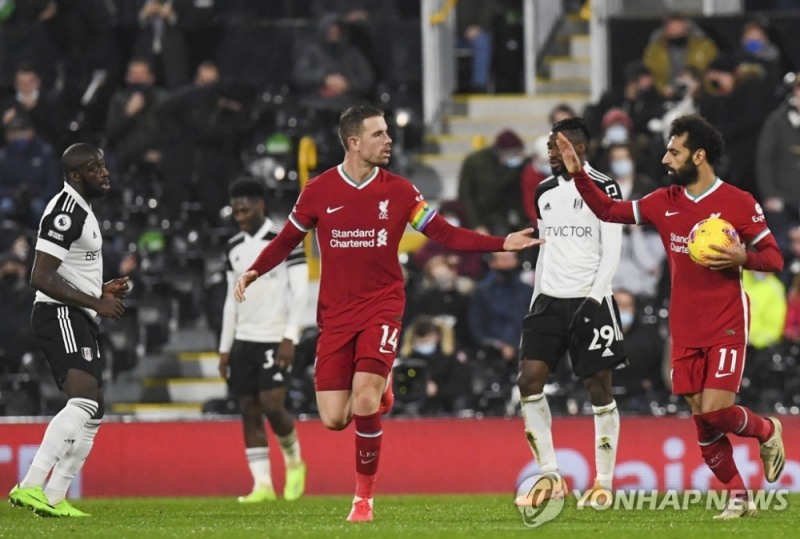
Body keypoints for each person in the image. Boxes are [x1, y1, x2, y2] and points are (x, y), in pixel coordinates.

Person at [234, 104, 541, 522]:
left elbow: (444, 233)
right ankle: (383, 385)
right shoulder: (319, 191)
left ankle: (363, 500)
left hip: (383, 305)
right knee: (334, 418)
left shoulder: (400, 191)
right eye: (379, 134)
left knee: (363, 399)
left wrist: (501, 243)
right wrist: (255, 269)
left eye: (387, 133)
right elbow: (287, 239)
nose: (389, 141)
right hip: (336, 315)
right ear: (354, 142)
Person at [558, 114, 786, 519]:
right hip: (683, 325)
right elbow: (609, 211)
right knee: (703, 421)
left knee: (717, 411)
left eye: (674, 151)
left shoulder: (738, 202)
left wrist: (742, 257)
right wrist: (579, 176)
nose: (665, 159)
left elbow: (774, 258)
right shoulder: (664, 202)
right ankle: (738, 498)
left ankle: (767, 431)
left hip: (727, 321)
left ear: (698, 156)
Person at [7, 143, 128, 517]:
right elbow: (39, 277)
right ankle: (30, 486)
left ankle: (56, 497)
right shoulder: (66, 211)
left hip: (76, 312)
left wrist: (99, 291)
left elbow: (69, 269)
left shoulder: (82, 209)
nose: (104, 172)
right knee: (85, 400)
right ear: (75, 175)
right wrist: (97, 304)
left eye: (103, 165)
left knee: (94, 409)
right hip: (59, 312)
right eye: (94, 168)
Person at [514, 117, 626, 511]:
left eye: (559, 148)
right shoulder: (544, 191)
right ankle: (550, 476)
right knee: (528, 380)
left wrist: (597, 297)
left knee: (598, 389)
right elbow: (545, 247)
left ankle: (604, 483)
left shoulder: (606, 187)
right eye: (549, 148)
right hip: (549, 299)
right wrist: (536, 299)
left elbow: (611, 247)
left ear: (580, 149)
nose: (551, 155)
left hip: (590, 298)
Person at [218, 177, 308, 503]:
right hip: (244, 339)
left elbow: (300, 291)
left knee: (272, 405)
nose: (239, 215)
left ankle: (295, 462)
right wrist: (225, 348)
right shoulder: (233, 249)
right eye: (235, 211)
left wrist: (290, 336)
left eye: (244, 209)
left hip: (274, 337)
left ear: (260, 205)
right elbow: (232, 299)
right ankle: (263, 485)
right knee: (249, 410)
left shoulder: (285, 240)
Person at [458, 128, 527, 235]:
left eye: (518, 153)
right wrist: (476, 225)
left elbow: (517, 196)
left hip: (504, 216)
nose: (516, 158)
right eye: (513, 154)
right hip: (480, 214)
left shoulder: (518, 166)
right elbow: (466, 196)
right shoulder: (475, 162)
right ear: (500, 152)